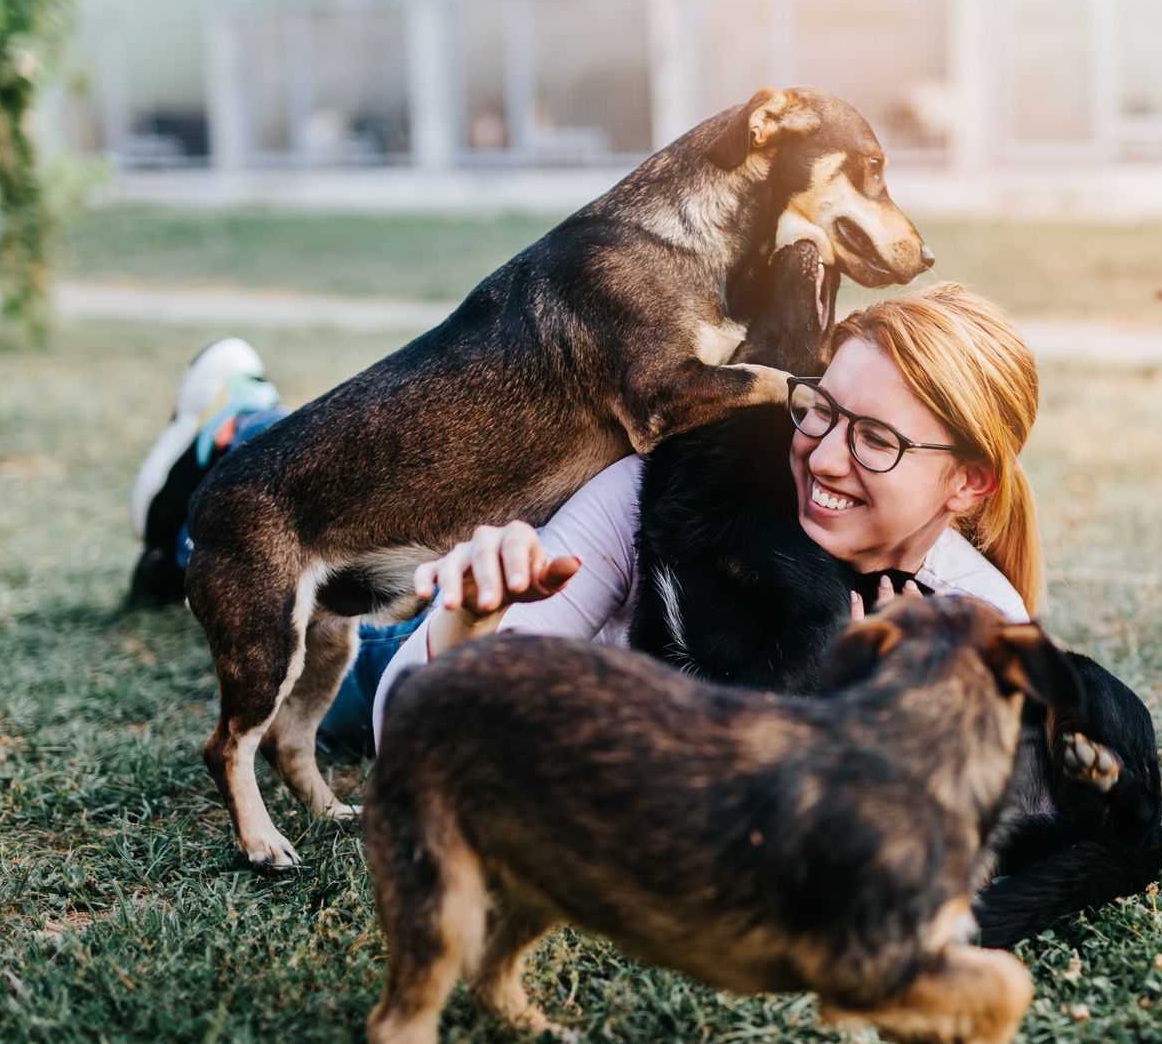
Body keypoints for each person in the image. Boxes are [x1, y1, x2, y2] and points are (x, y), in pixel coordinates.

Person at [129, 284, 1044, 752]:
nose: (826, 454)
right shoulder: (679, 484)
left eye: (877, 438)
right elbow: (403, 727)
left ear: (968, 485)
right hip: (426, 652)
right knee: (258, 570)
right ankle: (234, 417)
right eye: (819, 409)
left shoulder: (980, 622)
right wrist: (467, 626)